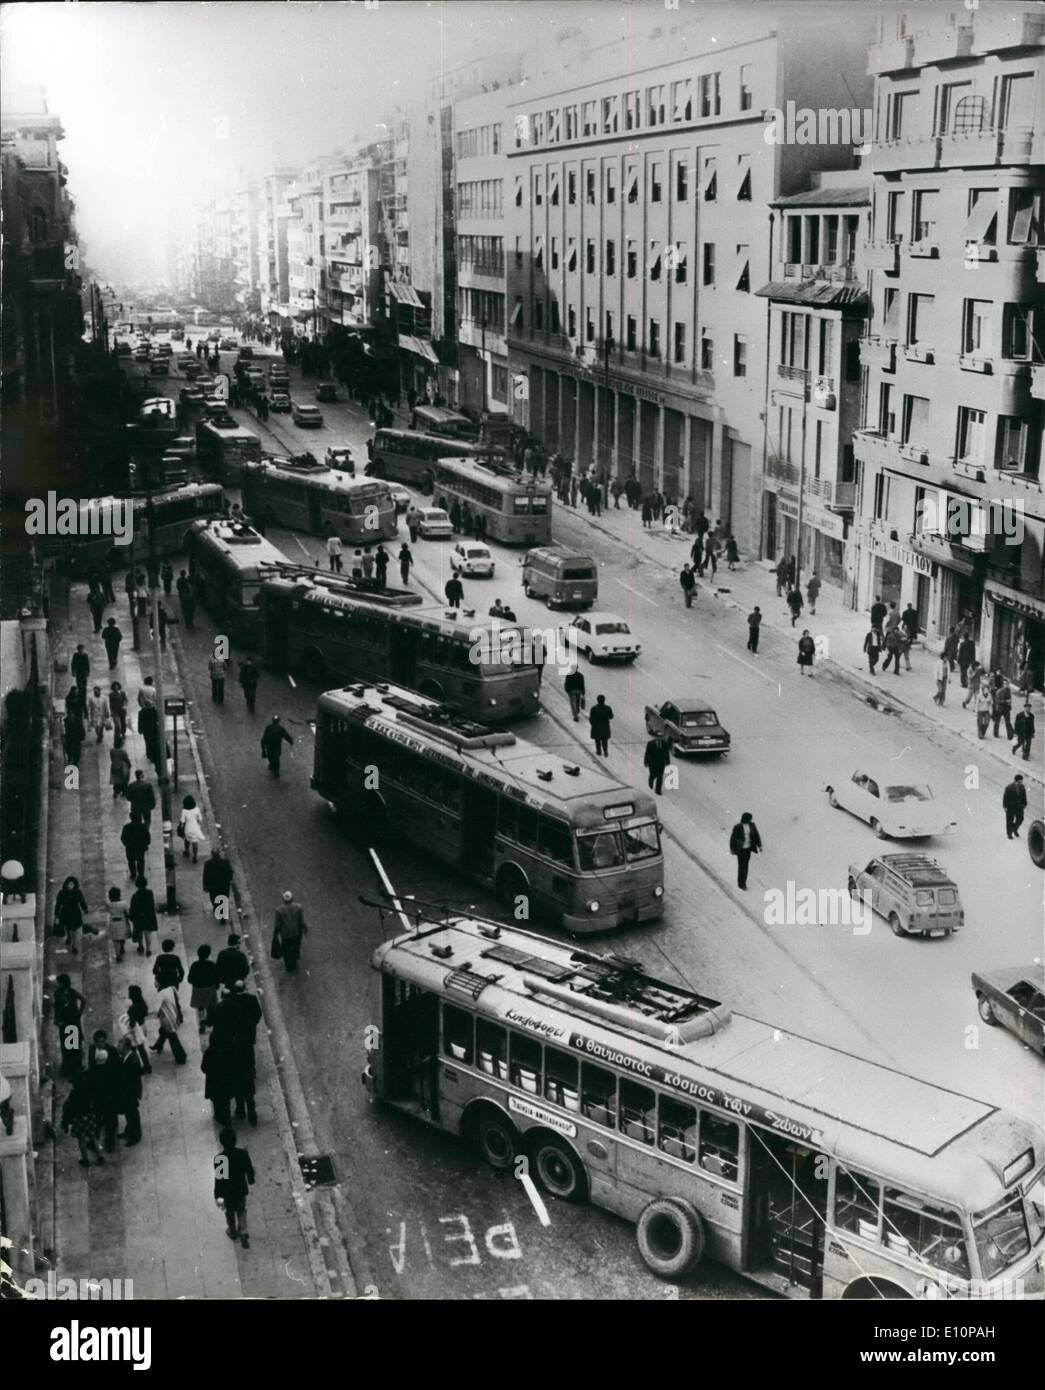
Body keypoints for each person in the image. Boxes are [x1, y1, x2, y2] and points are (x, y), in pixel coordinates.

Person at [214, 1126, 256, 1249]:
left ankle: (232, 1231)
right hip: (241, 1189)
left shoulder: (220, 1159)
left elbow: (219, 1180)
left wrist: (218, 1195)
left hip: (228, 1193)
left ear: (222, 1142)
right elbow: (249, 1169)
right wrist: (251, 1180)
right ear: (235, 1140)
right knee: (242, 1209)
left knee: (230, 1212)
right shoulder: (242, 1153)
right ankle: (243, 1230)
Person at [61, 1072, 105, 1168]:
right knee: (93, 1137)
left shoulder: (74, 1094)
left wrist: (65, 1122)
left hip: (80, 1119)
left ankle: (85, 1159)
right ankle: (100, 1155)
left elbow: (68, 1107)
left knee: (81, 1140)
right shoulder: (87, 1089)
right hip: (89, 1117)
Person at [87, 1042, 123, 1152]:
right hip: (109, 1100)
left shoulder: (93, 1073)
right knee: (110, 1124)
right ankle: (109, 1145)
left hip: (99, 1100)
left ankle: (96, 1144)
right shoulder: (110, 1072)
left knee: (97, 1122)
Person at [54, 974, 86, 1078]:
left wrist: (79, 1014)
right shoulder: (62, 993)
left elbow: (83, 1000)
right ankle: (70, 1067)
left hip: (70, 1021)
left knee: (74, 1043)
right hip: (67, 1021)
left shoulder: (63, 993)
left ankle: (75, 1066)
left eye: (58, 982)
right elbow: (57, 1008)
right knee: (68, 1044)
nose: (57, 984)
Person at [115, 1035, 144, 1146]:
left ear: (126, 1047)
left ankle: (135, 1135)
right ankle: (129, 1131)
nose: (118, 1047)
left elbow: (130, 1079)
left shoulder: (132, 1060)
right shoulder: (126, 1056)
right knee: (129, 1113)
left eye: (120, 1046)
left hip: (130, 1093)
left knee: (132, 1114)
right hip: (127, 1092)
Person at [54, 875, 92, 956]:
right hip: (65, 913)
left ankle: (74, 945)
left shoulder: (78, 892)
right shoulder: (62, 893)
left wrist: (85, 909)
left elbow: (82, 901)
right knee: (67, 927)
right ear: (66, 884)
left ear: (75, 885)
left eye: (72, 884)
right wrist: (56, 914)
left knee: (75, 929)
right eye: (69, 884)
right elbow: (58, 904)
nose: (70, 886)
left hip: (75, 913)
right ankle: (69, 937)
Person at [152, 979, 187, 1064]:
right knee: (163, 1031)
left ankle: (181, 1057)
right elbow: (178, 999)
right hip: (174, 1015)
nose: (154, 983)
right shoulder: (172, 988)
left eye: (155, 981)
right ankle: (158, 1046)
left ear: (160, 982)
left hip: (167, 1019)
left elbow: (156, 1009)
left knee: (172, 1038)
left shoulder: (160, 994)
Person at [189, 944, 220, 1034]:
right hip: (210, 988)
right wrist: (216, 985)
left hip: (198, 989)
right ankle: (211, 1023)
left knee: (200, 1007)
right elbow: (216, 977)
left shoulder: (195, 965)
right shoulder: (211, 965)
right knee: (211, 1007)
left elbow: (190, 979)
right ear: (208, 954)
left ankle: (201, 1023)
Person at [273, 890, 308, 972]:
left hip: (286, 934)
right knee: (296, 946)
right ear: (292, 899)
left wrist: (275, 933)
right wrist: (305, 928)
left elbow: (277, 925)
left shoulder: (279, 911)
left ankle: (289, 965)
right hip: (297, 933)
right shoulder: (299, 907)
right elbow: (302, 921)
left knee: (286, 949)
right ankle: (295, 959)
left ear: (283, 900)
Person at [729, 812, 762, 890]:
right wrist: (732, 849)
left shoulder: (752, 825)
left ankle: (743, 882)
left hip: (748, 849)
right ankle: (741, 884)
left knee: (745, 866)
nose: (750, 820)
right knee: (742, 867)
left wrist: (759, 845)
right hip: (741, 849)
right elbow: (733, 839)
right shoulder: (738, 827)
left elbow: (756, 835)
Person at [122, 984, 152, 1073]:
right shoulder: (142, 1004)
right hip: (142, 1027)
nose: (128, 994)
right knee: (140, 1048)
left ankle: (144, 1066)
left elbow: (131, 1023)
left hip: (136, 1030)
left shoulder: (133, 1007)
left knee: (137, 1048)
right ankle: (146, 1066)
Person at [128, 875, 158, 957]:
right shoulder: (149, 893)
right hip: (148, 916)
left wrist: (131, 917)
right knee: (148, 933)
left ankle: (141, 946)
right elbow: (152, 905)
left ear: (137, 885)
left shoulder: (135, 896)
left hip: (139, 917)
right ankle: (148, 949)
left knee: (139, 932)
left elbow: (132, 908)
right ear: (146, 884)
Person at [203, 848, 235, 918]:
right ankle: (223, 914)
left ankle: (217, 909)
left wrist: (205, 886)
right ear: (219, 854)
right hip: (224, 885)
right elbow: (230, 872)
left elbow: (206, 875)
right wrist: (229, 880)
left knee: (214, 898)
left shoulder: (208, 864)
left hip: (213, 886)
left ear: (212, 855)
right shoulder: (226, 862)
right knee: (224, 898)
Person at [121, 815, 150, 881]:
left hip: (130, 847)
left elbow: (123, 838)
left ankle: (133, 874)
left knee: (131, 861)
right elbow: (148, 838)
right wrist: (145, 844)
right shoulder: (143, 827)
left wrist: (127, 844)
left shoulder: (127, 827)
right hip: (140, 847)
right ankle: (141, 874)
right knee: (141, 861)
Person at [107, 885, 131, 963]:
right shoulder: (124, 904)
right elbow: (127, 913)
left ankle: (118, 955)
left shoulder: (109, 905)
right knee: (122, 936)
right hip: (123, 922)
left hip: (113, 923)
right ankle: (122, 947)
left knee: (115, 940)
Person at [178, 794, 206, 863]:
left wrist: (180, 827)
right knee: (195, 842)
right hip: (195, 827)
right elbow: (200, 819)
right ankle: (195, 856)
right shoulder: (197, 809)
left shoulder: (184, 811)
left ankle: (187, 852)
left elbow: (182, 821)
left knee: (187, 840)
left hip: (188, 828)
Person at [1003, 774, 1027, 840]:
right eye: (1019, 782)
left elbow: (1024, 796)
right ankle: (1009, 834)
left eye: (1021, 782)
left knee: (1020, 819)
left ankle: (1014, 829)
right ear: (1015, 781)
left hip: (1019, 806)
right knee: (1009, 821)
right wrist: (1005, 806)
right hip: (1010, 806)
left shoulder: (1022, 787)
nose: (1020, 783)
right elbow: (1005, 798)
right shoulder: (1009, 788)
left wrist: (1024, 804)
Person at [992, 674, 1013, 740]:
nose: (1007, 685)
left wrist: (1009, 704)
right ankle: (996, 734)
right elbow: (997, 701)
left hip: (1006, 708)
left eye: (1008, 684)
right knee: (997, 722)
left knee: (1008, 722)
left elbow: (1009, 698)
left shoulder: (1009, 690)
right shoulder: (999, 691)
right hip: (999, 708)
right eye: (1005, 684)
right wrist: (1006, 701)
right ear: (1003, 684)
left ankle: (1010, 735)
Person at [109, 681, 128, 745]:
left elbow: (126, 700)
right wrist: (111, 711)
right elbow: (110, 703)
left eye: (117, 686)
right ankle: (117, 735)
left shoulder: (122, 693)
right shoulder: (111, 694)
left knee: (123, 723)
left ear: (119, 686)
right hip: (115, 711)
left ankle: (123, 733)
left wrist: (124, 706)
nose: (116, 687)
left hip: (122, 710)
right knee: (117, 725)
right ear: (113, 687)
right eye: (115, 686)